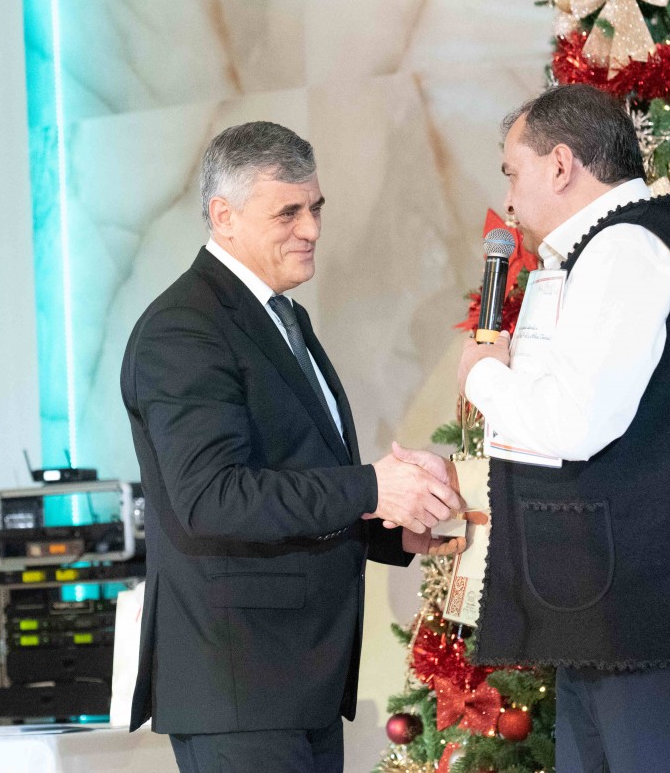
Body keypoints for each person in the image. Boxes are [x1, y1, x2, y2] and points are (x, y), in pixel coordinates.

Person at [437, 84, 670, 772]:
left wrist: (482, 376)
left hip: (657, 624)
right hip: (615, 619)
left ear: (561, 165)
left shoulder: (627, 247)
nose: (508, 199)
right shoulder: (605, 246)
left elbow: (577, 421)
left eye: (513, 172)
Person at [121, 122, 464, 773]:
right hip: (240, 684)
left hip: (295, 682)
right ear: (224, 215)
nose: (311, 228)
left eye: (316, 208)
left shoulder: (281, 315)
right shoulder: (183, 328)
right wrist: (372, 488)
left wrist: (392, 527)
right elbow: (211, 497)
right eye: (288, 212)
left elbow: (290, 476)